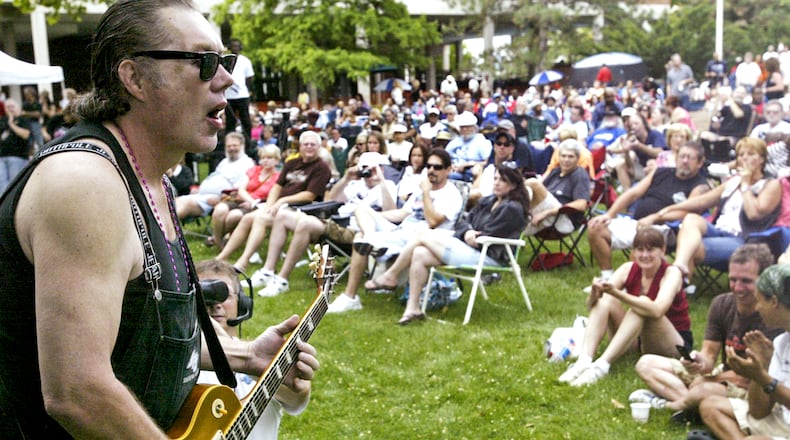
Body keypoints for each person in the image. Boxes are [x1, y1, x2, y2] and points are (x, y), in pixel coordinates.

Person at [0, 1, 315, 436]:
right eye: (204, 62)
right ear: (134, 78)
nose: (226, 78)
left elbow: (142, 331)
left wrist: (246, 357)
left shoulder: (154, 180)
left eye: (226, 61)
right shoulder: (85, 183)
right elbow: (77, 391)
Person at [630, 244, 780, 424]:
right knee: (646, 363)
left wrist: (711, 380)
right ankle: (693, 402)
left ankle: (673, 405)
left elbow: (753, 376)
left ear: (762, 280)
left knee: (703, 388)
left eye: (746, 281)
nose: (738, 288)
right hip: (722, 376)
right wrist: (698, 362)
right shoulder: (721, 303)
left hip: (750, 386)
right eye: (733, 279)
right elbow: (709, 355)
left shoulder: (772, 315)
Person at [365, 165, 529, 325]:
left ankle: (391, 275)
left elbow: (490, 234)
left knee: (422, 234)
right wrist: (467, 233)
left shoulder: (513, 208)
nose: (497, 183)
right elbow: (464, 222)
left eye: (503, 180)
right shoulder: (489, 201)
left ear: (514, 185)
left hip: (489, 256)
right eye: (496, 178)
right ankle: (412, 309)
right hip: (470, 248)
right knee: (420, 253)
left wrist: (471, 235)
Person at [326, 148, 462, 313]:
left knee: (360, 237)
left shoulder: (451, 194)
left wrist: (426, 192)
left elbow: (433, 222)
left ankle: (350, 295)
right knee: (361, 210)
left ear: (448, 170)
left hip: (420, 238)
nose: (431, 170)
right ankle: (370, 242)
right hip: (401, 230)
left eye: (437, 167)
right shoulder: (420, 190)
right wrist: (375, 216)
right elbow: (403, 213)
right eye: (429, 166)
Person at [196, 260, 315, 440]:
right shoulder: (183, 362)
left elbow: (296, 400)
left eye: (224, 294)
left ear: (242, 303)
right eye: (205, 294)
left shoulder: (266, 356)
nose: (215, 304)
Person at [559, 228, 692, 387]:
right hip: (638, 339)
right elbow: (590, 306)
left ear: (662, 251)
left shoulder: (671, 273)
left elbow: (657, 310)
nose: (644, 255)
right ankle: (584, 361)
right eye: (640, 249)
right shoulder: (628, 269)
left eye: (650, 250)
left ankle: (601, 367)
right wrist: (596, 292)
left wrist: (617, 293)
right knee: (604, 301)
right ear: (634, 251)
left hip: (672, 342)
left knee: (641, 306)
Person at [256, 152, 397, 297]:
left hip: (357, 231)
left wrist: (380, 179)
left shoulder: (387, 185)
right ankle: (268, 271)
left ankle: (282, 280)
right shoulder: (356, 184)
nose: (370, 173)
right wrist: (346, 178)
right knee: (282, 215)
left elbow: (391, 212)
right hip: (337, 223)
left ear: (382, 169)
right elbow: (331, 200)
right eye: (366, 168)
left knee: (305, 223)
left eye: (374, 169)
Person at [587, 142, 710, 281]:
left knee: (643, 241)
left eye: (690, 158)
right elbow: (633, 193)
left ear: (700, 163)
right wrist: (609, 214)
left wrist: (654, 218)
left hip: (669, 228)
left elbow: (687, 213)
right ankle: (607, 277)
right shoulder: (660, 172)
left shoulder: (700, 186)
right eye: (682, 156)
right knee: (596, 228)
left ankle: (631, 283)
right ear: (676, 158)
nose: (685, 161)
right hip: (637, 222)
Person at [664, 138, 781, 279]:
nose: (745, 158)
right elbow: (702, 201)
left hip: (743, 239)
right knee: (690, 219)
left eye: (751, 154)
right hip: (718, 230)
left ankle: (679, 282)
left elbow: (753, 213)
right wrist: (665, 211)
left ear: (762, 159)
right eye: (741, 154)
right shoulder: (734, 181)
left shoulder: (770, 184)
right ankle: (680, 267)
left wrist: (745, 184)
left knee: (689, 245)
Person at [696, 264, 790, 440]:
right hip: (782, 419)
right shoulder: (781, 342)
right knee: (711, 406)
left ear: (774, 302)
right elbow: (759, 412)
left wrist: (763, 377)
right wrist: (760, 367)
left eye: (759, 300)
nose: (757, 308)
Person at [217, 130, 332, 273]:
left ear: (319, 147)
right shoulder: (292, 163)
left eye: (313, 145)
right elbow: (277, 187)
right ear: (300, 146)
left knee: (260, 218)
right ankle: (221, 258)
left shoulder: (321, 168)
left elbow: (309, 195)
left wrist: (281, 201)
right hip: (279, 206)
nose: (309, 147)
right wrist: (270, 205)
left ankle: (243, 262)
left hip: (301, 210)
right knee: (247, 218)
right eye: (306, 144)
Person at [209, 144, 281, 248]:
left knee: (234, 216)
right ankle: (219, 242)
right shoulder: (253, 170)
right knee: (220, 209)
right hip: (240, 199)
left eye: (269, 158)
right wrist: (252, 201)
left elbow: (273, 197)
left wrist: (253, 204)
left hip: (258, 206)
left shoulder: (278, 178)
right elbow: (241, 190)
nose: (265, 160)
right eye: (263, 158)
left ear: (277, 160)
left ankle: (217, 239)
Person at [175, 132, 254, 219]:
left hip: (218, 200)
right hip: (202, 195)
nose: (231, 148)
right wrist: (200, 189)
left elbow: (239, 190)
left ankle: (167, 230)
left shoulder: (247, 163)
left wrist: (221, 199)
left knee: (187, 204)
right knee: (176, 201)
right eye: (228, 146)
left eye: (234, 145)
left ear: (242, 145)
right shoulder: (224, 162)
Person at [527, 139, 590, 234]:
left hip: (563, 218)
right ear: (558, 157)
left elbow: (581, 204)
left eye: (570, 157)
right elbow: (542, 192)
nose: (566, 160)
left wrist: (546, 213)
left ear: (577, 158)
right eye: (563, 156)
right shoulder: (556, 171)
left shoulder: (579, 174)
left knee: (533, 183)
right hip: (546, 213)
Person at [445, 111, 492, 181]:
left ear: (474, 127)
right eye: (462, 127)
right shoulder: (455, 141)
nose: (464, 129)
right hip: (452, 169)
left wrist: (468, 164)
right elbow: (444, 157)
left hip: (468, 173)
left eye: (467, 127)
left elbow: (488, 162)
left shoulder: (481, 141)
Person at [225, 38, 255, 141]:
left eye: (237, 46)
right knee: (230, 121)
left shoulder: (245, 61)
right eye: (233, 46)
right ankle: (229, 142)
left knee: (245, 120)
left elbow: (249, 78)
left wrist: (246, 88)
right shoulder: (225, 59)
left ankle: (248, 142)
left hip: (242, 96)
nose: (235, 48)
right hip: (228, 96)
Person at [0, 98, 32, 193]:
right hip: (2, 157)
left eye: (12, 106)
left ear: (18, 108)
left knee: (15, 186)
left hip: (17, 156)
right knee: (2, 187)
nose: (10, 109)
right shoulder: (3, 121)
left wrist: (11, 124)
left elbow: (25, 134)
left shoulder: (23, 119)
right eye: (8, 107)